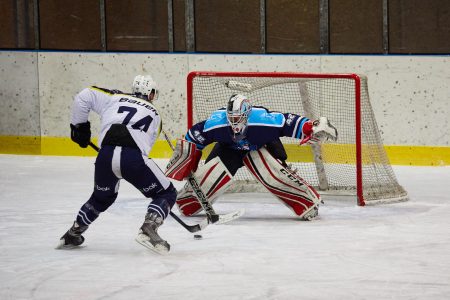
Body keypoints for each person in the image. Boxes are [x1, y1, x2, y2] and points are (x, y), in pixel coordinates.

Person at [166, 94, 337, 221]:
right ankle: (187, 202)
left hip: (259, 146)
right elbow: (194, 136)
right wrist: (188, 158)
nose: (234, 122)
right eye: (231, 118)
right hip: (229, 149)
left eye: (238, 118)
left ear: (247, 115)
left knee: (273, 174)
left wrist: (310, 127)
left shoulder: (262, 120)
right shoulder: (217, 122)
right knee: (209, 176)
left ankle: (306, 202)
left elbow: (288, 121)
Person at [57, 75, 176, 255]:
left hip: (105, 156)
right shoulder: (155, 114)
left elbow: (84, 95)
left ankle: (74, 232)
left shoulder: (113, 97)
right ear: (151, 94)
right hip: (133, 159)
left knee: (101, 198)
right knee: (166, 193)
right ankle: (149, 226)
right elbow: (144, 146)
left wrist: (79, 127)